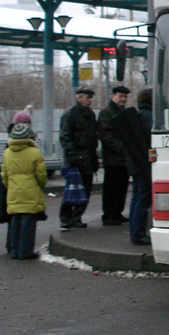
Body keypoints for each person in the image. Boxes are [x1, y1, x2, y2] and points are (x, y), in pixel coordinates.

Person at [0, 122, 47, 259]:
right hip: (30, 191)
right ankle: (25, 251)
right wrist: (40, 186)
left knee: (15, 221)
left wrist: (11, 186)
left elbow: (4, 175)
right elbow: (41, 175)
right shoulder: (35, 153)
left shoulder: (7, 153)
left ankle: (14, 250)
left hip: (13, 191)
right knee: (28, 222)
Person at [114, 88, 153, 246]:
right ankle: (138, 233)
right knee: (142, 199)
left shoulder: (137, 115)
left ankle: (135, 232)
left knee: (137, 198)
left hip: (135, 163)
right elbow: (151, 137)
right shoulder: (148, 116)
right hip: (143, 163)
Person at [59, 87, 99, 230]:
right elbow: (65, 136)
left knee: (85, 190)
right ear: (79, 97)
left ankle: (76, 217)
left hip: (87, 156)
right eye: (87, 97)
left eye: (90, 97)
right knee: (73, 189)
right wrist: (73, 155)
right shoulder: (70, 115)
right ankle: (67, 218)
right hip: (76, 158)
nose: (90, 100)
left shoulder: (90, 114)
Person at [97, 85, 131, 226]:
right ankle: (109, 214)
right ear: (113, 96)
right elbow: (106, 135)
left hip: (123, 158)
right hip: (113, 158)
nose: (122, 99)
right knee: (112, 187)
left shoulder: (122, 112)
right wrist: (122, 149)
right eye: (120, 96)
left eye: (124, 97)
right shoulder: (106, 113)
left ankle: (117, 212)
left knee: (121, 186)